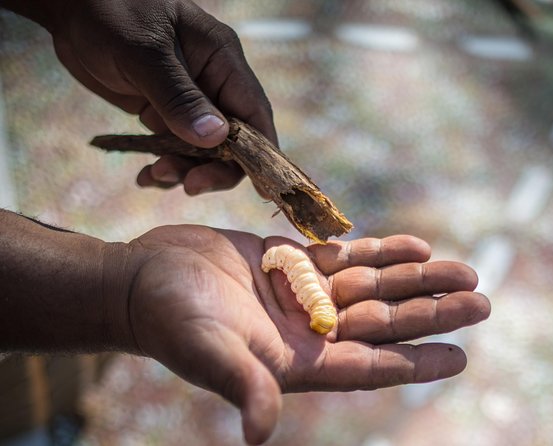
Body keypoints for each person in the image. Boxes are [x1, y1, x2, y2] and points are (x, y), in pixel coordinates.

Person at [0, 1, 491, 444]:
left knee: (47, 375)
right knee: (24, 389)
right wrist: (118, 291)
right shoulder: (287, 269)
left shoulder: (287, 266)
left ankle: (41, 421)